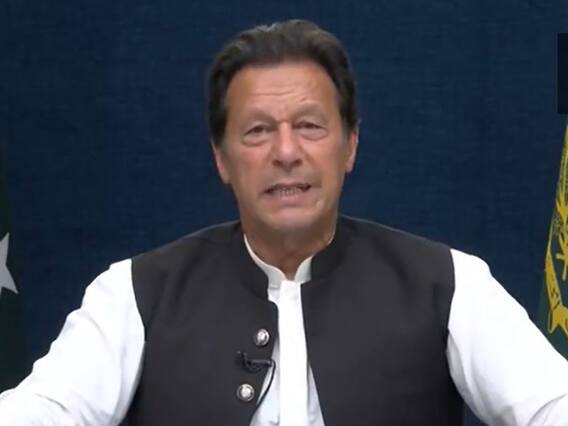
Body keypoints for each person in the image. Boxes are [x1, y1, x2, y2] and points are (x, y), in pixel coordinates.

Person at [1, 19, 567, 426]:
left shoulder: (447, 283)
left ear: (350, 145)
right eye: (257, 131)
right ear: (222, 159)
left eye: (310, 126)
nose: (287, 152)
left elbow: (553, 403)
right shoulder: (135, 292)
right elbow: (45, 409)